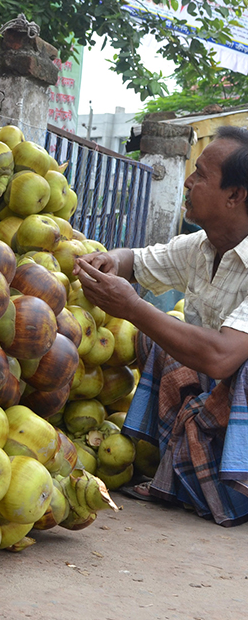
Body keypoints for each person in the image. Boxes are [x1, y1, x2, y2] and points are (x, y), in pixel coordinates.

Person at [72, 126, 248, 526]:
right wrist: (108, 264)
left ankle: (237, 485)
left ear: (235, 196)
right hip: (219, 396)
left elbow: (222, 358)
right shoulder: (201, 246)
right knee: (163, 339)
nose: (188, 182)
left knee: (233, 361)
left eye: (201, 175)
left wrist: (132, 307)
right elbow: (133, 259)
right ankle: (184, 474)